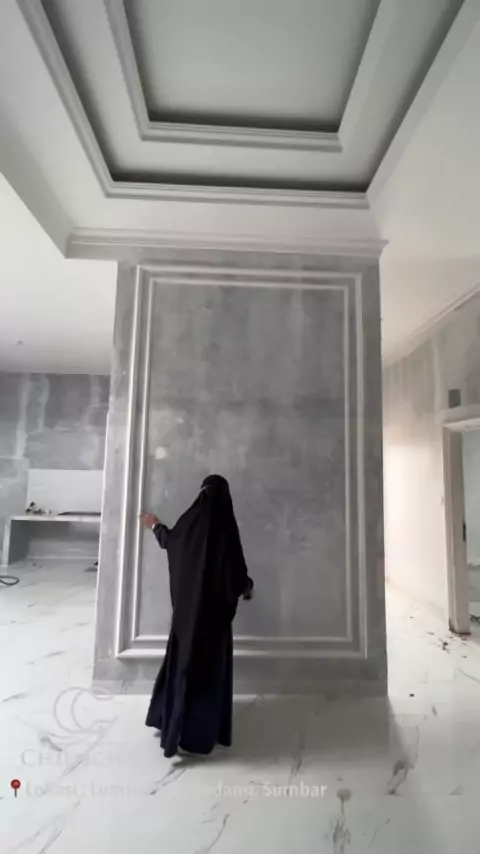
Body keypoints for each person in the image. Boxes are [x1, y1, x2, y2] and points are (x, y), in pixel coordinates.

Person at [140, 474, 254, 758]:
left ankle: (170, 723)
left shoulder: (190, 523)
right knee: (209, 675)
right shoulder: (227, 532)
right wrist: (247, 588)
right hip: (214, 625)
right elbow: (237, 575)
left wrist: (155, 525)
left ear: (201, 493)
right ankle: (199, 735)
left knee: (181, 668)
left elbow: (171, 542)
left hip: (186, 620)